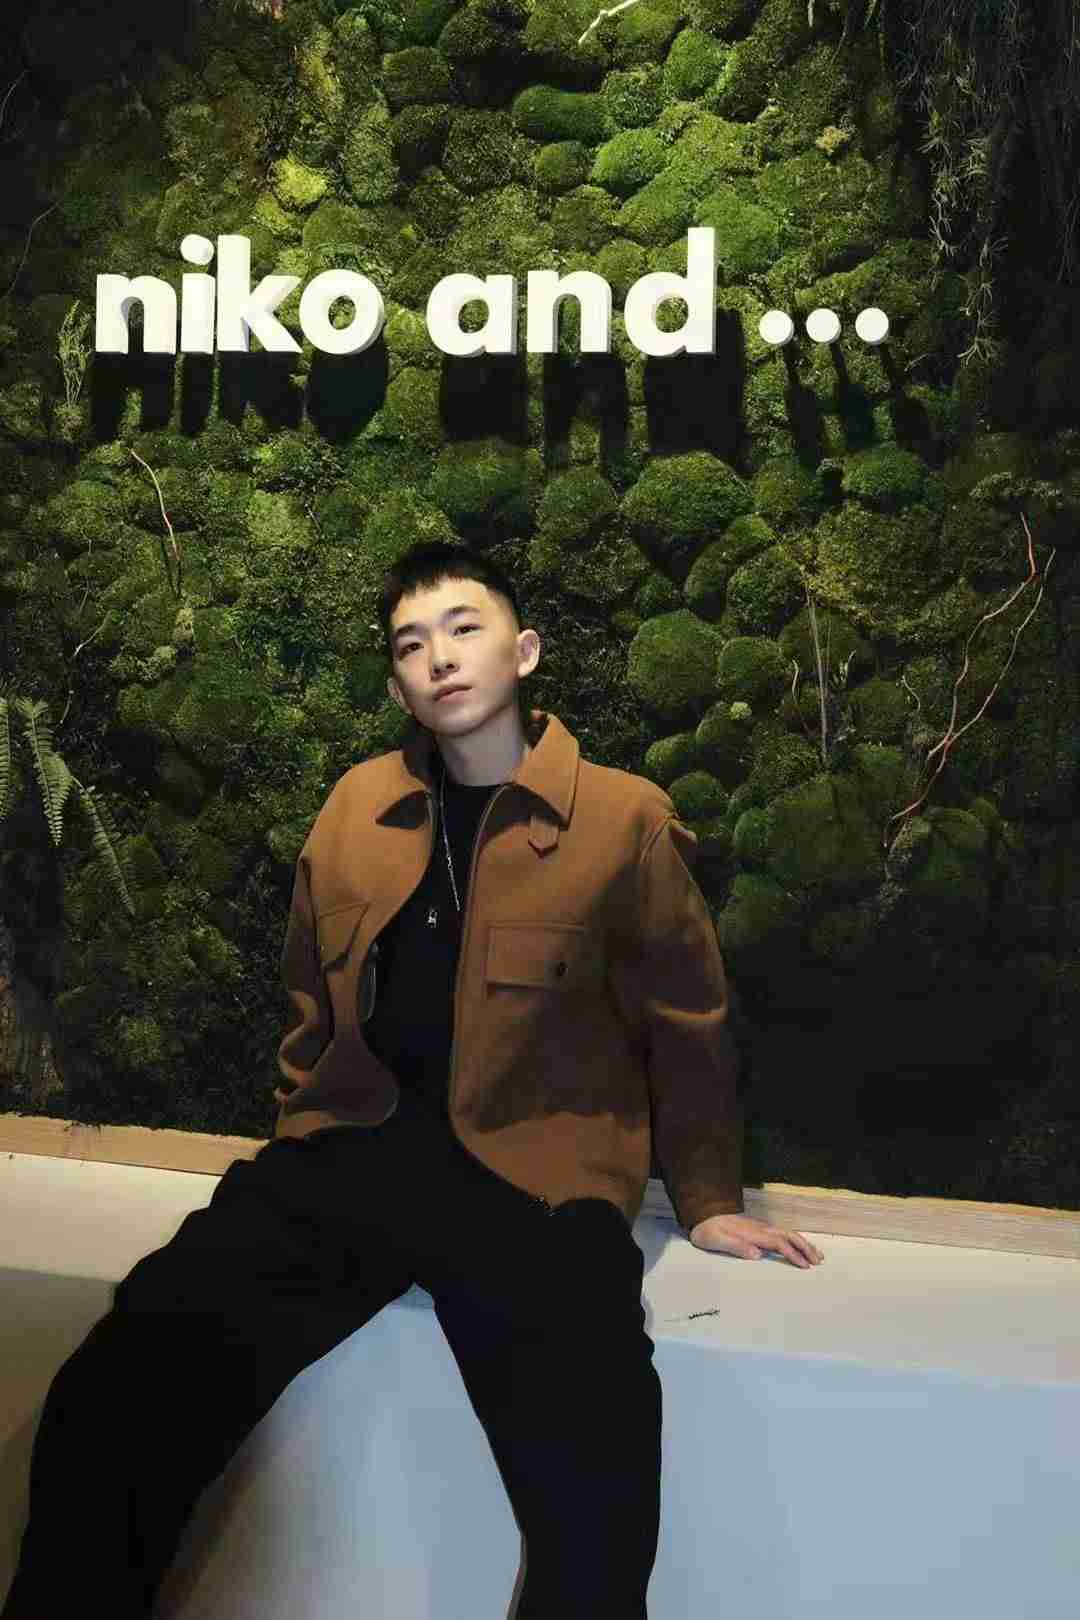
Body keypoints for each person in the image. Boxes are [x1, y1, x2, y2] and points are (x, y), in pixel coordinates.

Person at [2, 539, 822, 1620]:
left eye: (465, 628)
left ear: (525, 651)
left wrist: (708, 1198)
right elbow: (309, 997)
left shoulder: (624, 820)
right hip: (359, 1155)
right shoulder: (357, 806)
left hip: (536, 1180)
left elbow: (688, 1022)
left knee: (600, 1473)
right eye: (411, 643)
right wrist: (305, 1132)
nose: (440, 656)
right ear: (397, 685)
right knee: (123, 1381)